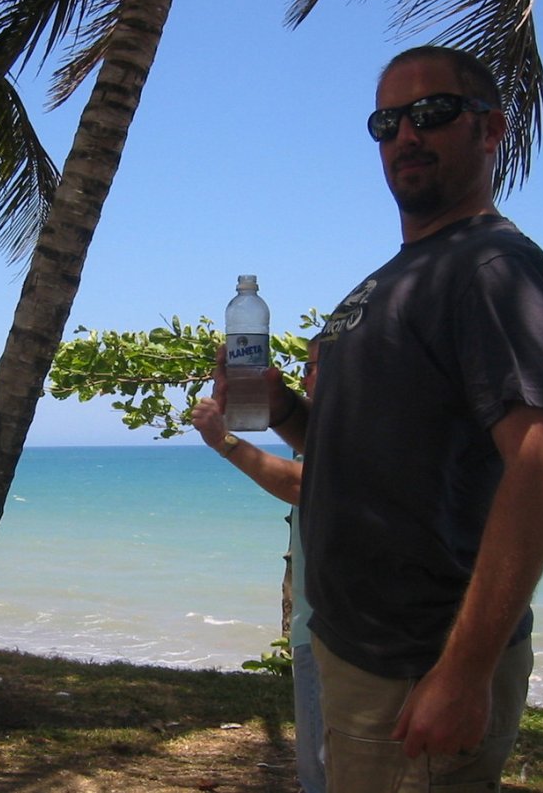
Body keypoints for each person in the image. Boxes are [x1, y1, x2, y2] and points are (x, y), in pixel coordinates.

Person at [264, 46, 543, 792]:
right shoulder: (391, 280)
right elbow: (350, 459)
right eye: (386, 121)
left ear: (491, 128)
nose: (406, 134)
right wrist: (279, 407)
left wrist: (464, 672)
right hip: (352, 648)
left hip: (419, 669)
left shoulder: (492, 267)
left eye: (432, 113)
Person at [191, 338, 324, 793]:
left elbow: (302, 485)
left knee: (324, 775)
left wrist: (223, 441)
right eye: (305, 366)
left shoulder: (366, 435)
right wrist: (253, 399)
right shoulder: (332, 433)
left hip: (333, 634)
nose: (305, 377)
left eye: (314, 367)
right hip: (321, 627)